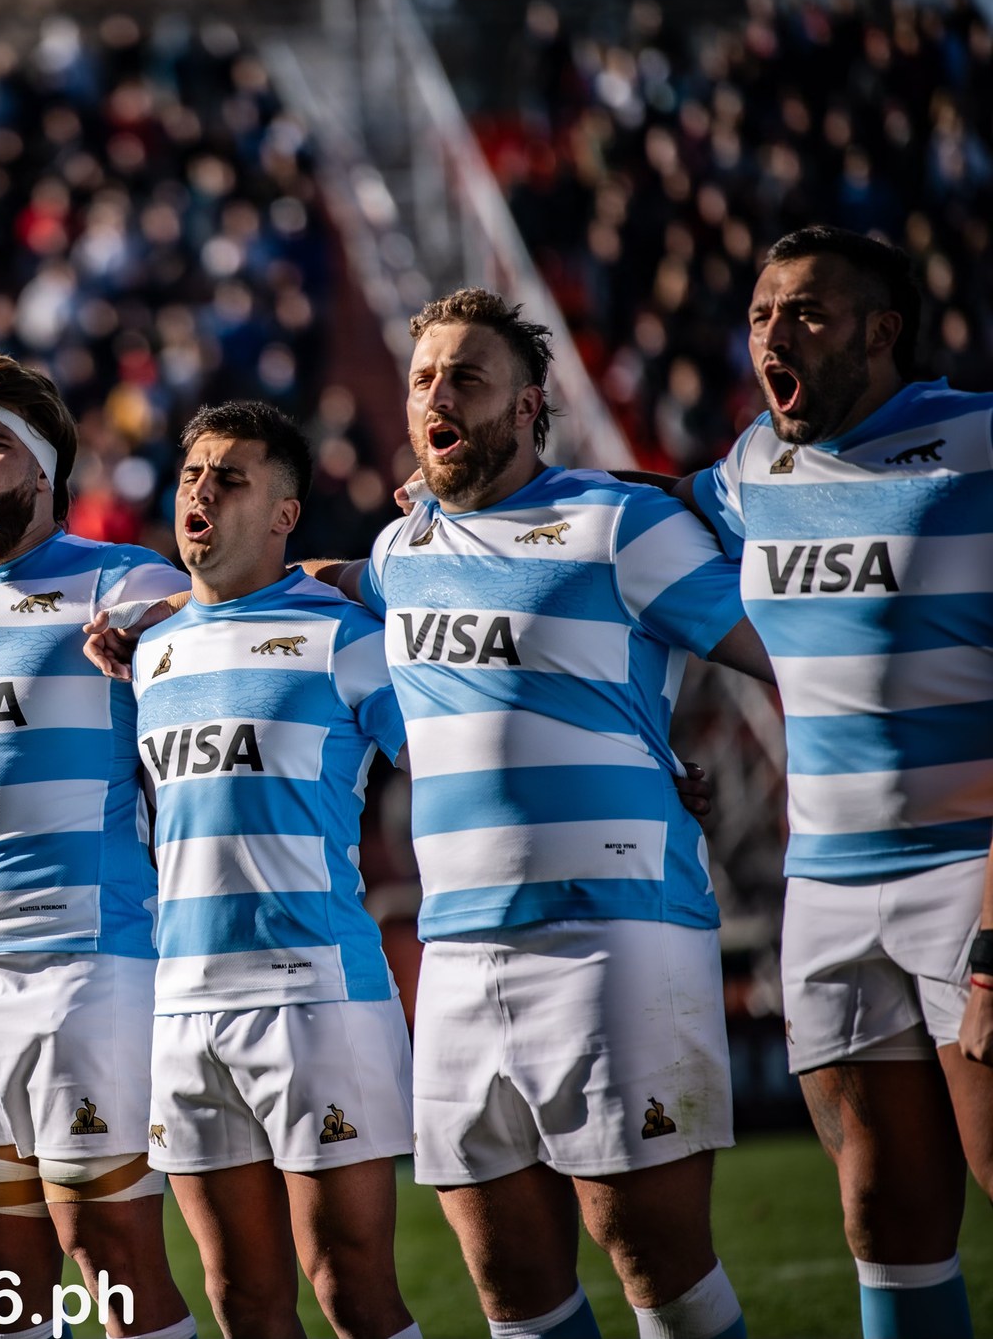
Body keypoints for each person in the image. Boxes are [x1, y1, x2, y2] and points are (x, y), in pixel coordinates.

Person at [88, 289, 771, 1339]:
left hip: (614, 931)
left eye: (465, 377)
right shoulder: (400, 556)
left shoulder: (617, 521)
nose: (436, 396)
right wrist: (168, 613)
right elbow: (300, 582)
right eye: (420, 380)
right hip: (455, 951)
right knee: (510, 1286)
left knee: (658, 1268)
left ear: (528, 404)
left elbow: (793, 660)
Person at [671, 226, 993, 1339]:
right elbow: (642, 516)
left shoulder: (979, 441)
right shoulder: (754, 465)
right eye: (760, 315)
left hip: (971, 872)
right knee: (880, 1217)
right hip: (822, 890)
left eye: (804, 311)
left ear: (880, 329)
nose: (773, 333)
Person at [0, 350, 196, 1339]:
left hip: (91, 965)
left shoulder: (124, 580)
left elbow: (236, 653)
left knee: (112, 1265)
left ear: (46, 469)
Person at [126, 402, 420, 1339]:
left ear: (285, 514)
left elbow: (463, 756)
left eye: (231, 477)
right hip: (181, 1004)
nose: (200, 492)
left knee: (351, 1289)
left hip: (317, 994)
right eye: (191, 476)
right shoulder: (147, 648)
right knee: (239, 1298)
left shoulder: (346, 633)